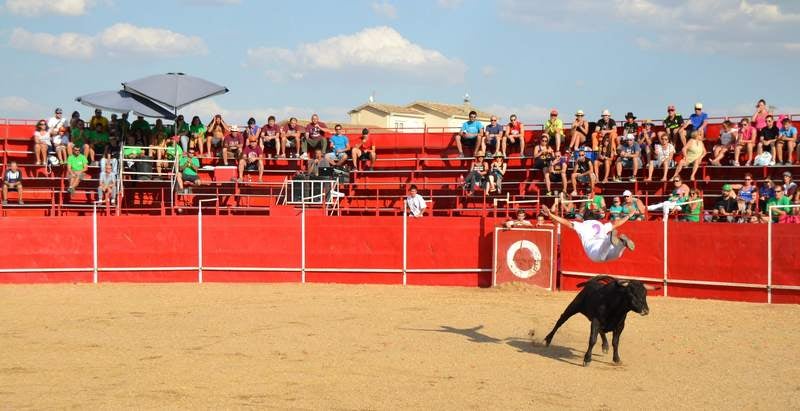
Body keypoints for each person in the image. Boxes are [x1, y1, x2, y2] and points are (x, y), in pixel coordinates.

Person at [542, 206, 635, 263]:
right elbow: (616, 223)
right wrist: (628, 216)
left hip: (593, 248)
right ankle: (621, 244)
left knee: (601, 257)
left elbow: (566, 222)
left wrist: (551, 214)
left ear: (584, 219)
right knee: (616, 255)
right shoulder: (601, 224)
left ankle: (610, 240)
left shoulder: (582, 225)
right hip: (603, 243)